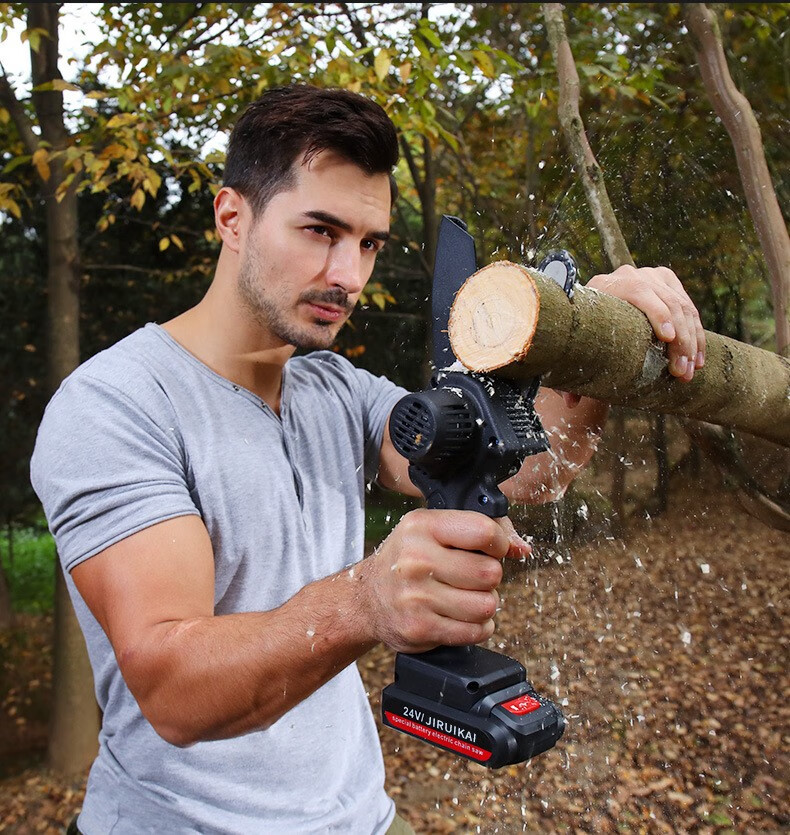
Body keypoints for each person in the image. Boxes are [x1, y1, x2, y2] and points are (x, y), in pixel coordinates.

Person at [31, 85, 705, 835]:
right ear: (233, 216)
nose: (349, 274)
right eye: (320, 230)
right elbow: (172, 688)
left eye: (370, 243)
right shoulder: (116, 403)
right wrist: (364, 599)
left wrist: (592, 339)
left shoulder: (334, 388)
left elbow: (522, 470)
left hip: (358, 819)